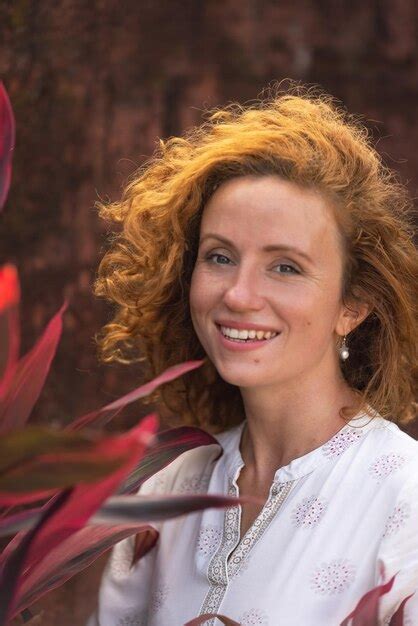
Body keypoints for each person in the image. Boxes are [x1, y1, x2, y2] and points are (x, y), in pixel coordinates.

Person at [87, 81, 418, 626]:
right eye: (219, 257)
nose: (237, 295)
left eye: (285, 266)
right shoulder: (169, 488)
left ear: (352, 306)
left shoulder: (404, 499)